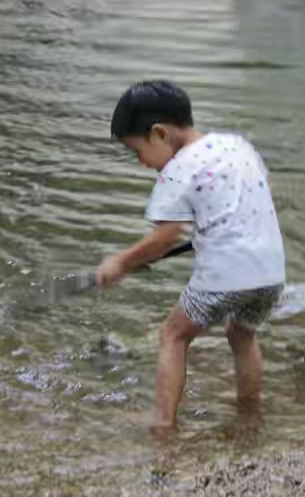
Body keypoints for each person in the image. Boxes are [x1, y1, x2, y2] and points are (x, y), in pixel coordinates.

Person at [96, 80, 286, 430]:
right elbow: (263, 193)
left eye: (137, 151)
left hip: (225, 274)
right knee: (241, 335)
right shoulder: (236, 145)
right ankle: (249, 411)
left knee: (173, 335)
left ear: (159, 134)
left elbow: (165, 237)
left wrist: (121, 262)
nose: (141, 163)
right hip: (272, 271)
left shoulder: (177, 171)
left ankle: (163, 424)